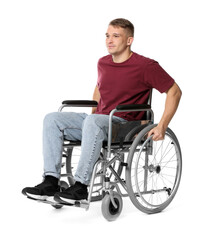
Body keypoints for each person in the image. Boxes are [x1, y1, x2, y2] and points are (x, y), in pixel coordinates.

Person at [22, 18, 182, 204]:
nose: (109, 40)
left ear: (129, 40)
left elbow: (175, 92)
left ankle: (81, 186)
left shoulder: (145, 66)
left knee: (93, 122)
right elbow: (99, 88)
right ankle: (50, 181)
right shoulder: (103, 62)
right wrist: (92, 121)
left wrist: (162, 126)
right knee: (52, 119)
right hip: (101, 121)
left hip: (126, 126)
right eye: (107, 36)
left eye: (115, 36)